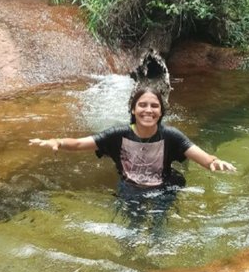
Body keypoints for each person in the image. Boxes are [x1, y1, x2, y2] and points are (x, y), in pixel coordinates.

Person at [29, 87, 236, 230]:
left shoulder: (171, 135)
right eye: (142, 105)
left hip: (163, 188)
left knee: (158, 229)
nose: (148, 110)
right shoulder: (118, 134)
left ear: (161, 111)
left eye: (154, 106)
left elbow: (201, 156)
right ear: (133, 109)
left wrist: (213, 162)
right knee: (132, 228)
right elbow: (80, 143)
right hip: (130, 187)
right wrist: (57, 141)